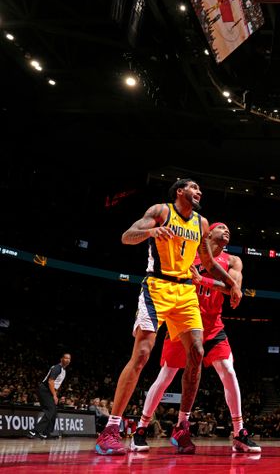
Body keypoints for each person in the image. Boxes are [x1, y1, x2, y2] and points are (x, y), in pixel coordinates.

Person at [95, 179, 241, 455]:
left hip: (185, 290)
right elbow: (127, 236)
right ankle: (111, 429)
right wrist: (151, 233)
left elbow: (208, 263)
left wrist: (232, 285)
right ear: (179, 191)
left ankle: (182, 426)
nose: (199, 192)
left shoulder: (201, 222)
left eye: (200, 189)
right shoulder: (161, 211)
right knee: (142, 354)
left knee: (197, 352)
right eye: (194, 187)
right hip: (157, 286)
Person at [130, 222, 260, 453]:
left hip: (212, 325)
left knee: (228, 371)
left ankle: (239, 432)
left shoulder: (233, 261)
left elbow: (234, 289)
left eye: (230, 229)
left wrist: (204, 281)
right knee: (167, 376)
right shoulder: (189, 252)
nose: (227, 231)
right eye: (222, 228)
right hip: (185, 324)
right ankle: (141, 428)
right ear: (209, 233)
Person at [28, 353, 71, 439]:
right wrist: (54, 395)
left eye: (69, 359)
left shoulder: (63, 371)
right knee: (50, 409)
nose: (67, 360)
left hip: (50, 391)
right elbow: (50, 381)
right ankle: (34, 431)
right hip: (44, 390)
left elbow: (56, 384)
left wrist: (55, 394)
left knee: (53, 411)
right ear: (61, 359)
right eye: (65, 358)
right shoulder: (57, 368)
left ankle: (45, 433)